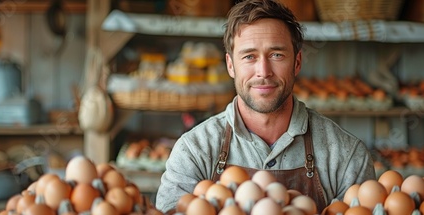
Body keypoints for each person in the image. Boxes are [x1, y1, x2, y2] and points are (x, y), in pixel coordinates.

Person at [155, 0, 376, 213]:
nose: (264, 71)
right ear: (231, 66)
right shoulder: (194, 151)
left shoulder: (345, 155)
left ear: (297, 62)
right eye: (249, 56)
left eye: (276, 55)